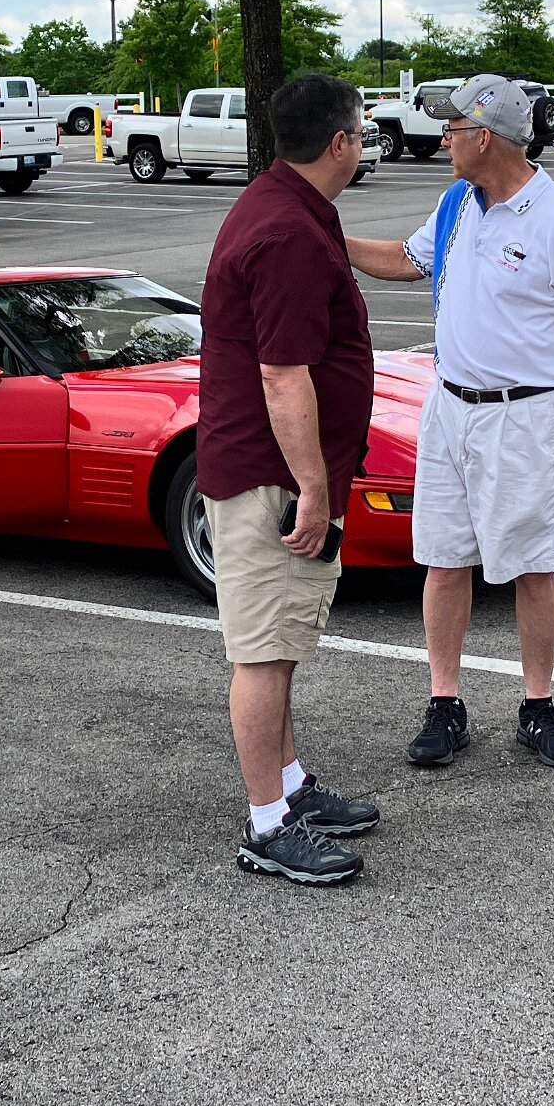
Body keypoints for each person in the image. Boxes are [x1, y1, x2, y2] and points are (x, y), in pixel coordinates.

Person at [344, 73, 554, 772]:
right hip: (449, 408)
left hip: (526, 417)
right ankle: (444, 703)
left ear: (485, 137)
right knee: (444, 558)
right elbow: (407, 261)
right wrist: (329, 237)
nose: (442, 139)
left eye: (452, 129)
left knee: (532, 564)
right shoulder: (455, 203)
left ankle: (538, 705)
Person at [197, 72, 382, 885]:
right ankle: (267, 824)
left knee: (282, 643)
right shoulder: (286, 233)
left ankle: (291, 782)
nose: (364, 143)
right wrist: (311, 485)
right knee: (264, 652)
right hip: (270, 478)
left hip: (279, 471)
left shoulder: (292, 207)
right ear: (338, 142)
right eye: (362, 132)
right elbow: (282, 373)